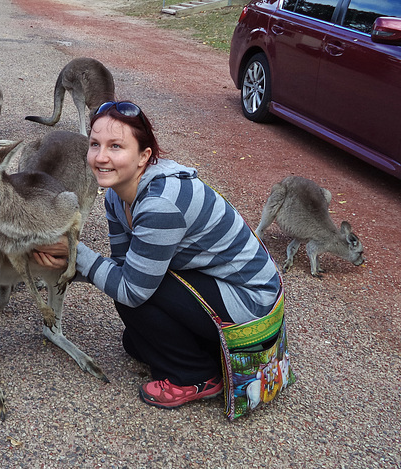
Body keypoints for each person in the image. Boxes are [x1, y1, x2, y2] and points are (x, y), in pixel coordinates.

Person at [33, 101, 281, 409]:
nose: (101, 157)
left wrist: (76, 253)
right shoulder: (116, 195)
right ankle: (204, 352)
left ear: (144, 156)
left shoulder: (160, 204)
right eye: (95, 144)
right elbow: (122, 264)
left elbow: (132, 289)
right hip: (216, 284)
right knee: (134, 337)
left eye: (116, 146)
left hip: (252, 302)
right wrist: (67, 263)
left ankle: (197, 377)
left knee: (134, 300)